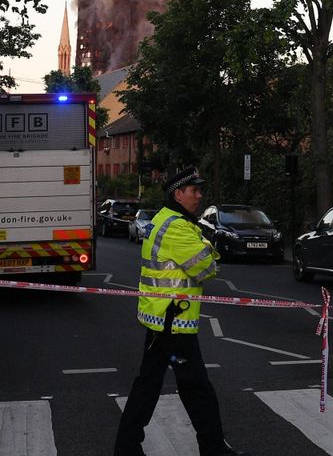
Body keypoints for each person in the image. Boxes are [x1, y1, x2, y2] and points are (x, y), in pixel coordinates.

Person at [114, 166, 245, 456]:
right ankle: (214, 450)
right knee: (197, 389)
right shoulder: (176, 227)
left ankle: (126, 447)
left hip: (161, 318)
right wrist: (209, 246)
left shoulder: (165, 219)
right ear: (178, 194)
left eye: (199, 190)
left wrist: (201, 241)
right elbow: (206, 269)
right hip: (174, 322)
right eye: (194, 191)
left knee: (149, 386)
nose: (199, 196)